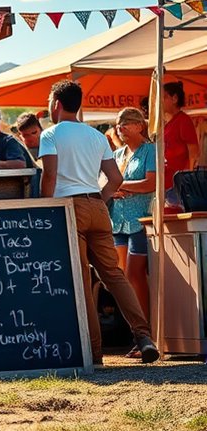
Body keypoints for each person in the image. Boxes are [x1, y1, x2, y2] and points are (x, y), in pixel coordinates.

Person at [38, 79, 159, 365]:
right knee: (115, 276)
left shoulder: (50, 135)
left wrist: (45, 207)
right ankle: (143, 337)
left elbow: (50, 177)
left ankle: (94, 353)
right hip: (96, 205)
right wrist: (101, 199)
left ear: (56, 104)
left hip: (68, 208)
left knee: (82, 280)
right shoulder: (95, 136)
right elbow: (116, 179)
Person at [109, 108, 155, 336]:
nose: (121, 127)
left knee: (135, 275)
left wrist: (121, 186)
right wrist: (113, 189)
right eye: (118, 123)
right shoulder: (117, 155)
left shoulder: (151, 151)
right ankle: (136, 334)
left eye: (126, 122)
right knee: (123, 279)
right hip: (117, 221)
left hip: (140, 221)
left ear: (140, 125)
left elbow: (151, 184)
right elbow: (106, 183)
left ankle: (145, 333)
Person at [162, 81, 199, 207]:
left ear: (175, 98)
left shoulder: (183, 120)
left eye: (164, 97)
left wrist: (188, 181)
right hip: (167, 183)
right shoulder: (167, 123)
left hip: (179, 185)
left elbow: (194, 153)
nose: (160, 102)